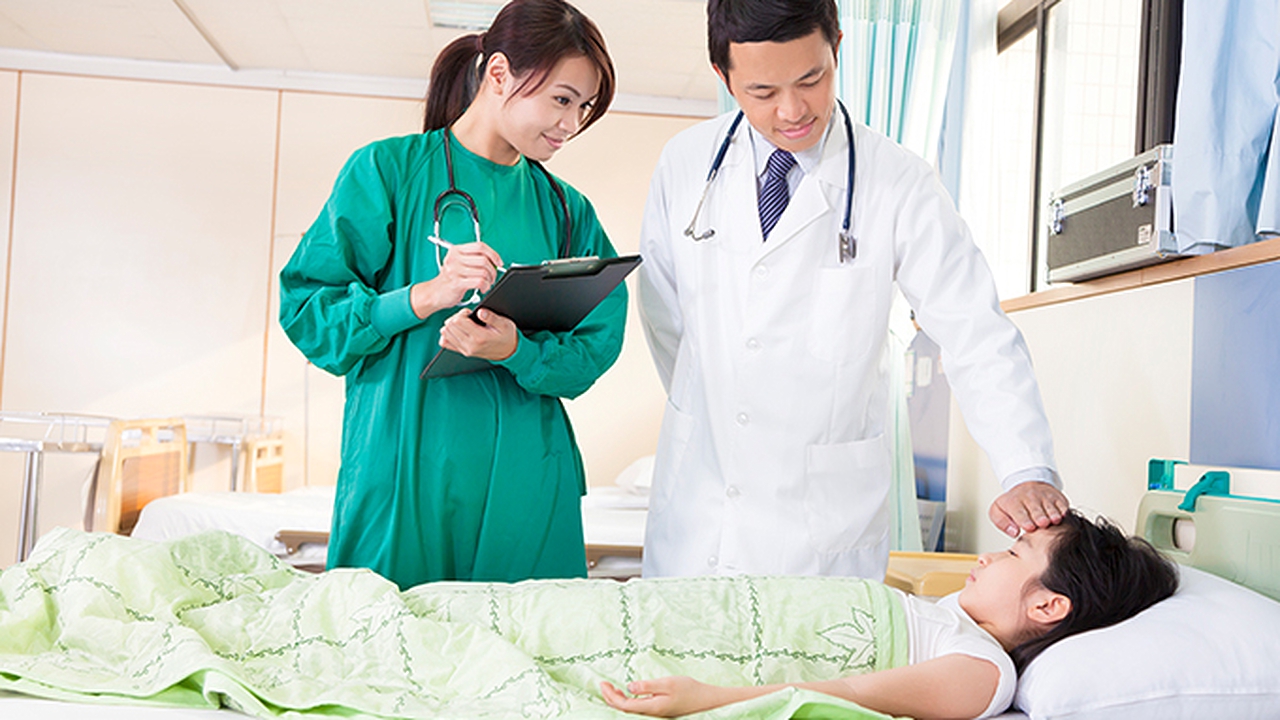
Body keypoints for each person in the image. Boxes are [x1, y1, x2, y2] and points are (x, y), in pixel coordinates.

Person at [637, 0, 1068, 579]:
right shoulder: (685, 163)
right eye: (763, 92)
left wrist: (1026, 468)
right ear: (725, 77)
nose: (793, 110)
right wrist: (711, 398)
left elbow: (975, 330)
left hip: (818, 532)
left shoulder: (899, 182)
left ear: (836, 46)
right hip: (701, 504)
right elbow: (664, 316)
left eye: (810, 79)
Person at [278, 0, 625, 589]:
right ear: (499, 74)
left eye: (584, 108)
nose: (572, 124)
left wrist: (516, 350)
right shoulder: (388, 171)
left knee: (528, 637)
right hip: (405, 465)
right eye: (562, 99)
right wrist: (422, 296)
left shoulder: (568, 210)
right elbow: (308, 311)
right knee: (384, 633)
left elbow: (595, 346)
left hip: (526, 478)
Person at [601, 510, 1180, 719]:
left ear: (1047, 605)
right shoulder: (955, 617)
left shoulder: (983, 671)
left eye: (1012, 554)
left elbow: (848, 693)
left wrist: (707, 699)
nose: (986, 556)